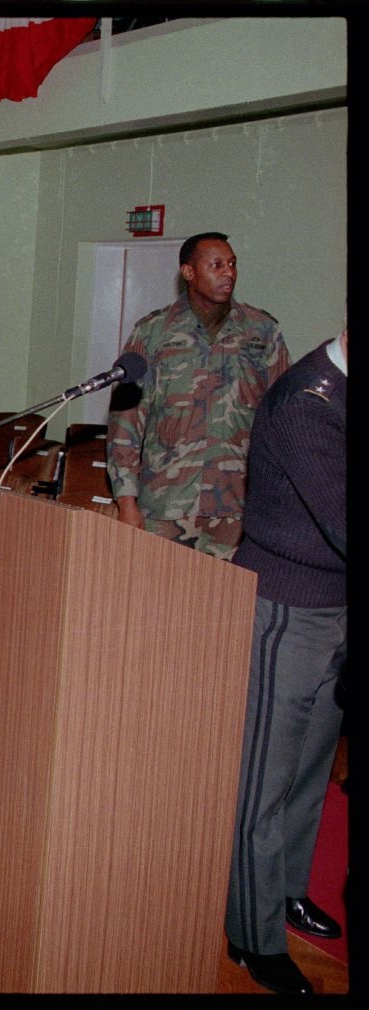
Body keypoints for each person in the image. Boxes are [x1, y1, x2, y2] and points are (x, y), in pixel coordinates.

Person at [224, 328, 346, 995]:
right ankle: (251, 936)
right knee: (263, 787)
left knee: (309, 771)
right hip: (285, 610)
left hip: (336, 605)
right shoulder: (307, 400)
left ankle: (288, 893)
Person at [106, 232, 291, 559]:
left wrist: (277, 501)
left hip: (237, 505)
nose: (228, 272)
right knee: (156, 598)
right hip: (167, 502)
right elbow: (126, 422)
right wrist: (126, 501)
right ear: (189, 272)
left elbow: (284, 418)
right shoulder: (153, 331)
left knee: (227, 604)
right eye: (216, 265)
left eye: (232, 264)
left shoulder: (262, 330)